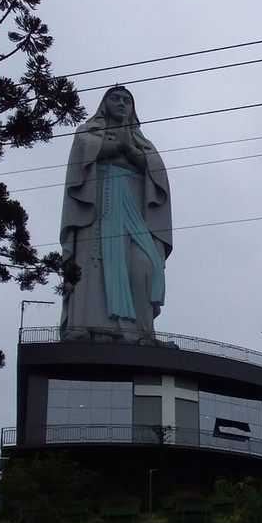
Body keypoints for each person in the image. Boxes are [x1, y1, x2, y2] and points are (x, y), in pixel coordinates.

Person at [59, 86, 172, 341]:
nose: (122, 104)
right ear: (104, 104)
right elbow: (83, 151)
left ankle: (142, 333)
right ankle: (85, 328)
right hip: (96, 207)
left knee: (146, 264)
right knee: (90, 264)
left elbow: (156, 171)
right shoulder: (89, 132)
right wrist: (113, 148)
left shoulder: (142, 142)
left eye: (127, 101)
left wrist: (129, 149)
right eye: (116, 99)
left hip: (134, 209)